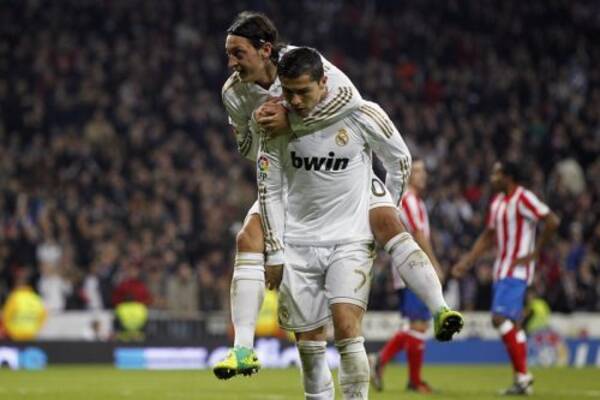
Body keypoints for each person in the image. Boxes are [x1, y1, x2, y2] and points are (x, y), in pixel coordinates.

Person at [214, 11, 463, 380]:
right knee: (247, 239)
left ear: (265, 50)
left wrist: (291, 120)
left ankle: (440, 309)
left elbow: (350, 101)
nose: (231, 64)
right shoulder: (235, 93)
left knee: (387, 221)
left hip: (347, 174)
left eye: (238, 53)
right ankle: (242, 349)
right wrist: (260, 125)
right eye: (228, 55)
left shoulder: (309, 63)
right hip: (296, 179)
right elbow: (249, 150)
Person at [258, 46, 414, 399]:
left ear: (323, 83)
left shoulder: (358, 113)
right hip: (298, 241)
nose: (295, 100)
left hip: (350, 239)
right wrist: (275, 251)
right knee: (309, 343)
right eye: (289, 92)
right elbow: (269, 190)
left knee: (347, 326)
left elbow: (399, 160)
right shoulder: (275, 124)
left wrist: (384, 211)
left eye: (304, 91)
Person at [452, 160, 560, 395]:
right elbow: (488, 236)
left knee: (499, 318)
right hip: (501, 270)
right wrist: (468, 261)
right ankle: (522, 380)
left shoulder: (524, 198)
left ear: (508, 177)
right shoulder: (498, 202)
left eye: (497, 174)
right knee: (513, 324)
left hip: (516, 271)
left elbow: (552, 220)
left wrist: (535, 252)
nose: (492, 178)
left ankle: (523, 376)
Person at [369, 159, 444, 394]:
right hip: (413, 270)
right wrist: (433, 265)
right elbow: (419, 235)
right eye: (417, 171)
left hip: (410, 270)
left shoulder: (417, 201)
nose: (423, 176)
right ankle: (395, 368)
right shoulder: (409, 200)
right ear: (408, 175)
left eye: (424, 172)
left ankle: (394, 368)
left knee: (416, 325)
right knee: (418, 324)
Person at [1, 270, 47, 341]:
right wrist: (34, 330)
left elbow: (5, 317)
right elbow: (43, 316)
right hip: (31, 336)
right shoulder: (36, 298)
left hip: (16, 337)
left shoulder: (14, 297)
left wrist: (11, 332)